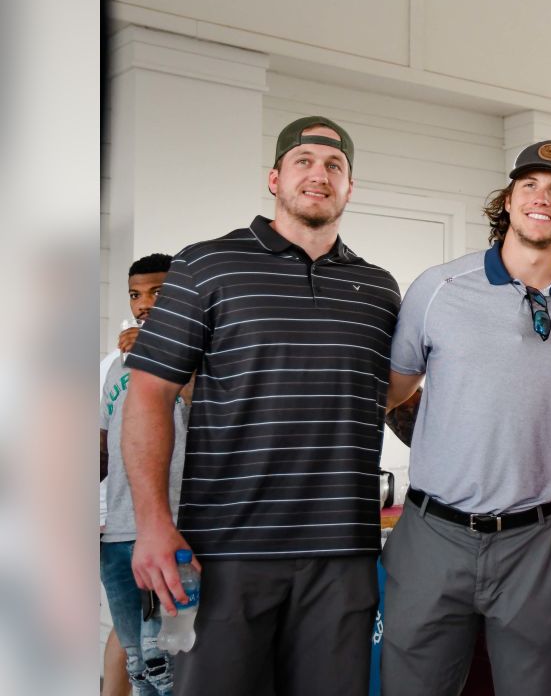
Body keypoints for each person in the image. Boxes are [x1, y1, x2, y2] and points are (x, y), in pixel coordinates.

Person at [123, 116, 401, 695]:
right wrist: (152, 522)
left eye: (335, 166)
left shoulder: (379, 289)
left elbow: (394, 394)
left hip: (343, 555)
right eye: (304, 162)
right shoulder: (206, 265)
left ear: (351, 188)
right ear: (274, 179)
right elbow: (151, 392)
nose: (319, 175)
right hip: (227, 552)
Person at [380, 140, 551, 696]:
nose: (541, 198)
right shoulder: (438, 288)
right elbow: (390, 392)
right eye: (528, 185)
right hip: (433, 533)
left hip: (538, 540)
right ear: (507, 201)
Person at [100, 253, 188, 696]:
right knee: (138, 666)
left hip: (171, 530)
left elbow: (209, 418)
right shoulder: (116, 366)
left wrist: (164, 352)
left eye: (157, 291)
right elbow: (100, 450)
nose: (144, 304)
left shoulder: (200, 359)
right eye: (136, 294)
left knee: (168, 664)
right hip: (116, 533)